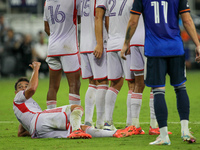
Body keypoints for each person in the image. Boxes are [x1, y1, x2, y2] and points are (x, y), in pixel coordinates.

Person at [121, 0, 200, 145]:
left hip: (155, 50)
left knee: (158, 90)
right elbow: (187, 20)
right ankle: (185, 130)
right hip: (175, 48)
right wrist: (198, 44)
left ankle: (163, 136)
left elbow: (133, 22)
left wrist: (126, 43)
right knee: (180, 87)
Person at [13, 61, 136, 138]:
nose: (24, 88)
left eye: (25, 85)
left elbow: (21, 132)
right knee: (76, 109)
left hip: (38, 132)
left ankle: (115, 133)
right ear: (16, 92)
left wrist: (31, 128)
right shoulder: (18, 98)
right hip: (39, 119)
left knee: (81, 128)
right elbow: (32, 89)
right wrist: (36, 69)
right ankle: (78, 130)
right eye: (20, 87)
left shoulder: (26, 107)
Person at [43, 0, 82, 109]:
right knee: (74, 84)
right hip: (68, 48)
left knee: (52, 86)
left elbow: (46, 27)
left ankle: (50, 116)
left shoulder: (47, 2)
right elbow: (79, 18)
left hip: (52, 49)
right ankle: (75, 121)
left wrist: (56, 37)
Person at [79, 0, 109, 128]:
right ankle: (100, 123)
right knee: (103, 82)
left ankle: (88, 121)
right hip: (96, 43)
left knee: (92, 83)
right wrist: (99, 43)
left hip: (84, 44)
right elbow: (98, 17)